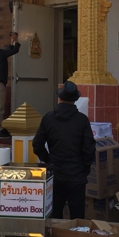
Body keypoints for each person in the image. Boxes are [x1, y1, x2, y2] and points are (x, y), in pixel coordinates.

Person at [32, 81, 96, 219]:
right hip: (77, 174)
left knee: (54, 214)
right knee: (77, 217)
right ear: (75, 100)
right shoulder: (82, 120)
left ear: (60, 98)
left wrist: (49, 160)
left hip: (56, 173)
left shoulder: (48, 118)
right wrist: (84, 167)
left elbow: (37, 144)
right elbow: (89, 148)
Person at [0, 32, 20, 138]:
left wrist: (11, 42)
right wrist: (16, 41)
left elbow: (9, 49)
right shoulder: (2, 54)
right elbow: (14, 50)